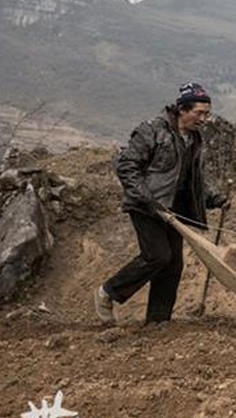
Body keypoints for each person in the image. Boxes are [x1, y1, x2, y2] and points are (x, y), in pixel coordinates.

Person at [95, 82, 228, 325]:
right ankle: (108, 293)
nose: (203, 119)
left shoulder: (195, 139)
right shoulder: (152, 131)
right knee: (157, 256)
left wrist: (215, 198)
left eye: (206, 114)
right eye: (199, 113)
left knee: (173, 265)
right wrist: (147, 199)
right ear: (182, 110)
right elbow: (127, 168)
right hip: (146, 205)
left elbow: (193, 179)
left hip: (173, 210)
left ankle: (158, 322)